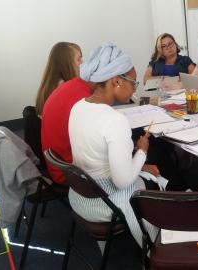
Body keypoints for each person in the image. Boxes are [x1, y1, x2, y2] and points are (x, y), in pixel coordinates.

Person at [68, 42, 159, 248]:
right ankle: (156, 246)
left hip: (81, 196)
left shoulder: (78, 107)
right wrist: (142, 152)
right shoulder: (114, 120)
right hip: (105, 203)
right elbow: (123, 181)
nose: (135, 88)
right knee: (155, 181)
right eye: (134, 83)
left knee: (147, 174)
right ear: (117, 80)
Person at [35, 42, 83, 115]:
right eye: (78, 59)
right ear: (67, 63)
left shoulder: (51, 83)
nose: (82, 62)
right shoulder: (63, 86)